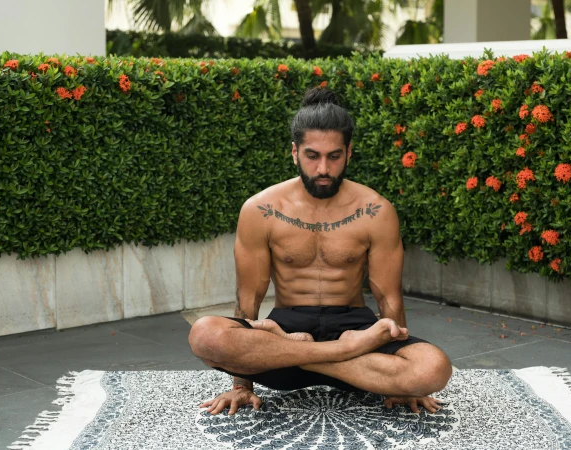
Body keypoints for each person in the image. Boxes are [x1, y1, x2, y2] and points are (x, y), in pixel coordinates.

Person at [188, 87, 452, 417]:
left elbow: (389, 297)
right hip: (287, 333)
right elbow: (248, 297)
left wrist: (403, 381)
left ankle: (319, 352)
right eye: (313, 156)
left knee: (432, 369)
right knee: (205, 335)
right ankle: (337, 352)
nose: (323, 168)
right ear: (295, 152)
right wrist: (242, 384)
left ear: (349, 153)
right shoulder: (260, 209)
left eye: (334, 156)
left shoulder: (376, 210)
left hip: (354, 329)